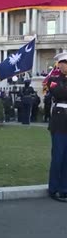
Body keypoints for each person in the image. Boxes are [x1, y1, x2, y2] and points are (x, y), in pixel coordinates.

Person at [46, 52, 67, 202]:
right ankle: (53, 188)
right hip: (59, 122)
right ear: (59, 65)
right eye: (64, 63)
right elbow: (59, 93)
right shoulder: (53, 80)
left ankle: (64, 188)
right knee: (58, 157)